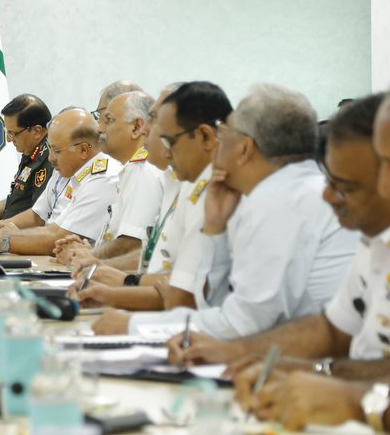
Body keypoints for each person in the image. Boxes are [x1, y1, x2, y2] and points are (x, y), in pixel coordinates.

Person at [94, 84, 358, 337]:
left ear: (245, 147)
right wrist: (215, 227)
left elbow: (242, 324)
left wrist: (133, 325)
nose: (218, 142)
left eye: (225, 132)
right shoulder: (274, 190)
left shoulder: (279, 199)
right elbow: (215, 302)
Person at [219, 93, 390, 431]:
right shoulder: (375, 239)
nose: (327, 197)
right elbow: (334, 329)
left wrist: (354, 400)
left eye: (346, 187)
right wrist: (307, 370)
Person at [67, 82, 227, 311]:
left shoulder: (213, 190)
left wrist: (120, 284)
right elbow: (160, 266)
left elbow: (184, 293)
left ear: (205, 136)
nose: (146, 131)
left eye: (156, 122)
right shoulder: (179, 182)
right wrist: (112, 288)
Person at [0, 108, 121, 255]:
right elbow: (38, 215)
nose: (50, 158)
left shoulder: (103, 179)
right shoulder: (69, 168)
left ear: (83, 150)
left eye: (56, 151)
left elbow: (57, 236)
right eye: (50, 149)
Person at [52, 91, 163, 267]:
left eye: (108, 120)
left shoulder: (143, 170)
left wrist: (85, 257)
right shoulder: (129, 169)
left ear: (136, 127)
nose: (99, 128)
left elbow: (131, 244)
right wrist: (86, 250)